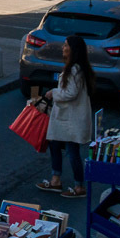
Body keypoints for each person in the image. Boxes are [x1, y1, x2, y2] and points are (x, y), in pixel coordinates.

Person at [35, 33, 94, 198]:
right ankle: (56, 180)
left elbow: (71, 93)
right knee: (54, 144)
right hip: (66, 117)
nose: (63, 48)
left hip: (71, 119)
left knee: (72, 150)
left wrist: (53, 93)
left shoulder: (75, 69)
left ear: (73, 50)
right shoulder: (76, 68)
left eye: (66, 45)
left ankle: (79, 186)